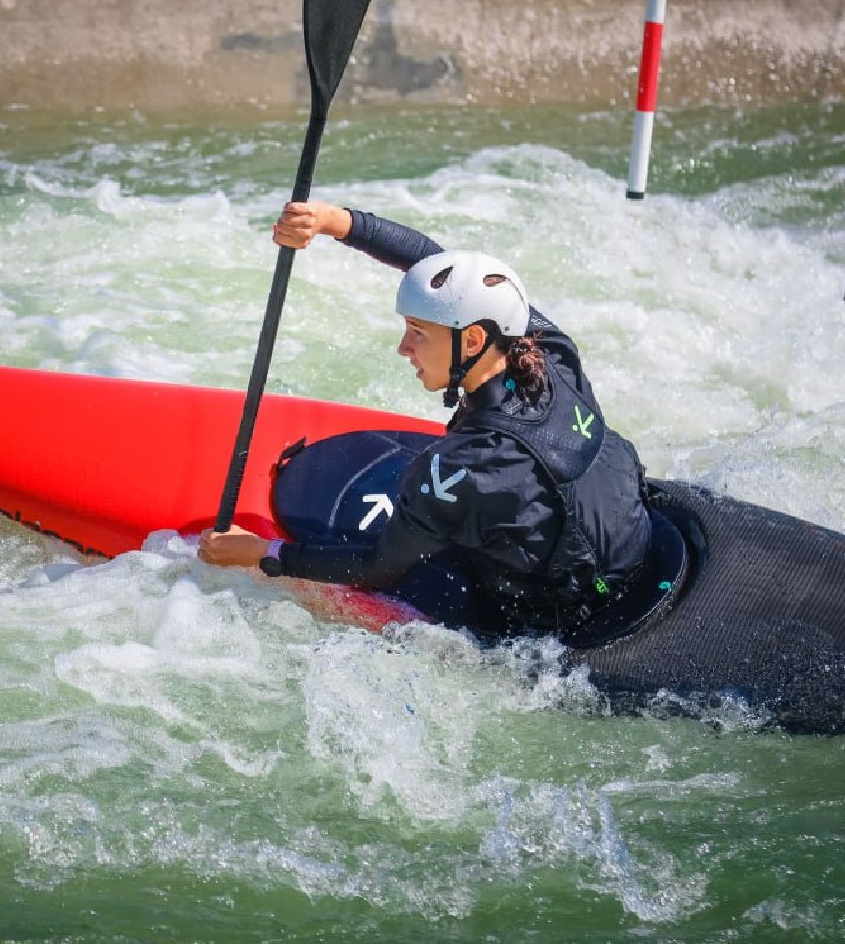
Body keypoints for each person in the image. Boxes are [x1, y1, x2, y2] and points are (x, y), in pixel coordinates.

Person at [199, 201, 652, 635]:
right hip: (630, 538)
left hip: (560, 610)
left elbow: (378, 566)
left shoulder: (465, 464)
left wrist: (264, 553)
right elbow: (433, 262)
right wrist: (334, 221)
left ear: (472, 341)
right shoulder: (551, 352)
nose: (403, 348)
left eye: (418, 333)